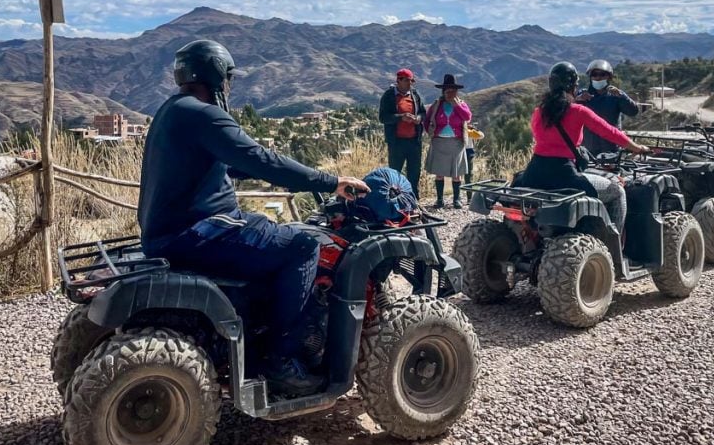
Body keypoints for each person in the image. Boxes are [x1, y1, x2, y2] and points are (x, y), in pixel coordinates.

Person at [138, 39, 369, 396]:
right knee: (303, 245)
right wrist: (330, 181)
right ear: (215, 75)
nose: (229, 86)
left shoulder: (173, 110)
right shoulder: (205, 114)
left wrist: (271, 166)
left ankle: (259, 330)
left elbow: (230, 162)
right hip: (198, 231)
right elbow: (261, 160)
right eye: (228, 77)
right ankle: (281, 359)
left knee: (268, 232)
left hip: (172, 230)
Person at [515, 62, 651, 234]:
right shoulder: (578, 111)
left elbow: (540, 138)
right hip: (565, 176)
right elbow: (610, 132)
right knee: (617, 192)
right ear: (573, 86)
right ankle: (612, 245)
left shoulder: (539, 112)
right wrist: (637, 148)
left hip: (533, 174)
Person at [423, 74, 472, 209]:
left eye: (453, 90)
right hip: (439, 142)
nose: (450, 93)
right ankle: (439, 200)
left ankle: (456, 199)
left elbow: (467, 117)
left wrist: (456, 105)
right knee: (439, 173)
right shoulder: (437, 105)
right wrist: (431, 132)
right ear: (443, 91)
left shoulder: (461, 104)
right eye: (448, 90)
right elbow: (427, 120)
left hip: (456, 143)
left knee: (456, 174)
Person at [575, 59, 640, 155]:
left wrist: (622, 97)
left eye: (602, 75)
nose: (598, 78)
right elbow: (568, 112)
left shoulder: (616, 94)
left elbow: (633, 111)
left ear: (609, 77)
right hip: (588, 149)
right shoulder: (583, 94)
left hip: (611, 149)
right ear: (590, 77)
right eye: (594, 74)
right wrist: (577, 99)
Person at [378, 68, 426, 196]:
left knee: (414, 171)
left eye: (411, 81)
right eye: (407, 81)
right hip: (396, 142)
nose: (410, 84)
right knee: (395, 172)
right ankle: (396, 197)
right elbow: (383, 117)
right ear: (398, 81)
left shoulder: (415, 95)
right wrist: (400, 117)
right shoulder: (389, 96)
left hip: (414, 141)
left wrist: (419, 119)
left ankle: (414, 197)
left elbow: (423, 112)